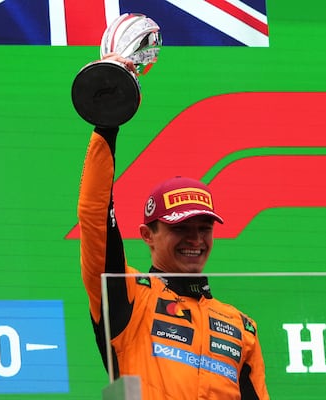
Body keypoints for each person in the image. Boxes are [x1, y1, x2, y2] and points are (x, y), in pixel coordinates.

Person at [77, 54, 270, 399]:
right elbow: (94, 218)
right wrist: (107, 125)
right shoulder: (128, 298)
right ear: (148, 235)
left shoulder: (242, 328)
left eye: (204, 227)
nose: (195, 239)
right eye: (181, 228)